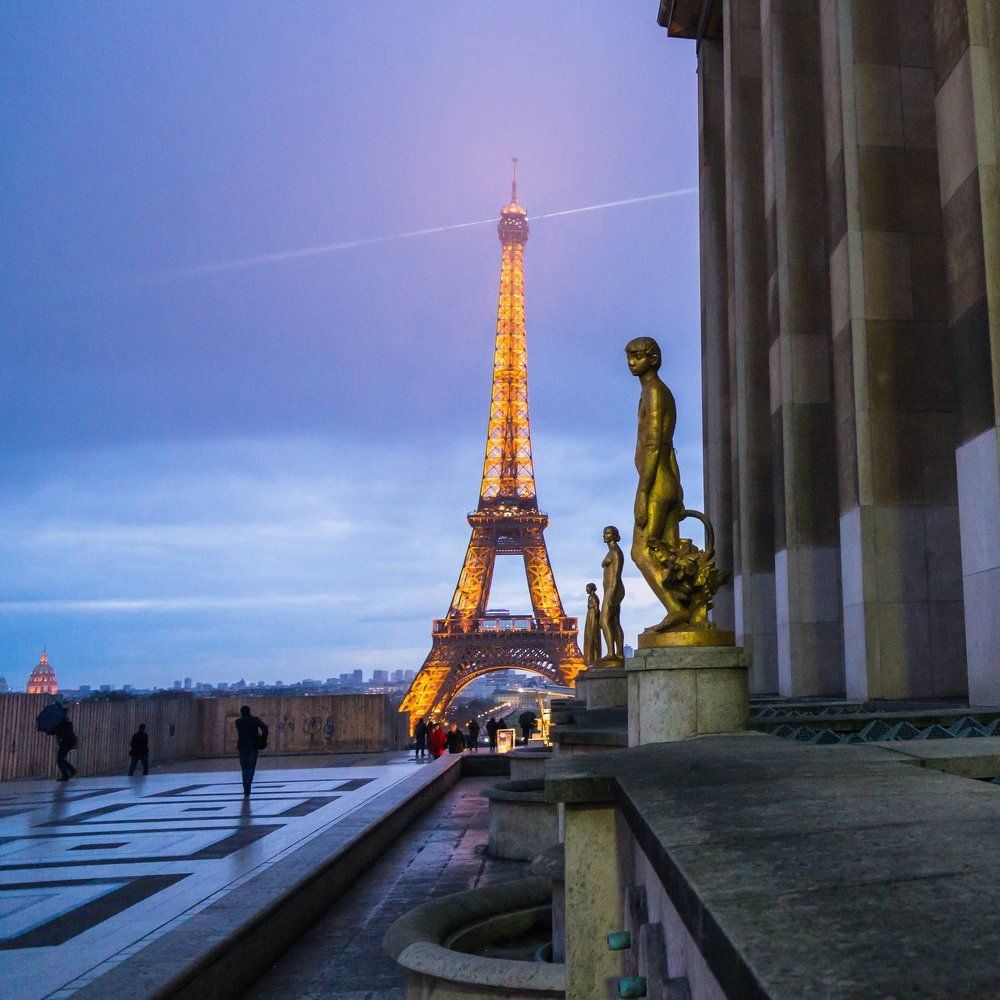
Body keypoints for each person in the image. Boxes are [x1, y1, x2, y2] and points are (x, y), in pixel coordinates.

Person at [234, 705, 268, 797]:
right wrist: (262, 739)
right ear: (249, 711)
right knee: (251, 767)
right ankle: (248, 784)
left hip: (242, 746)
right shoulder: (255, 720)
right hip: (253, 746)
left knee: (244, 768)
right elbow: (265, 728)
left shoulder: (238, 722)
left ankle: (246, 787)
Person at [54, 715, 77, 781]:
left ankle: (66, 775)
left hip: (66, 743)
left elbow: (63, 734)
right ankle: (72, 771)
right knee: (61, 759)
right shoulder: (65, 723)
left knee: (60, 760)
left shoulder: (64, 724)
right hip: (67, 743)